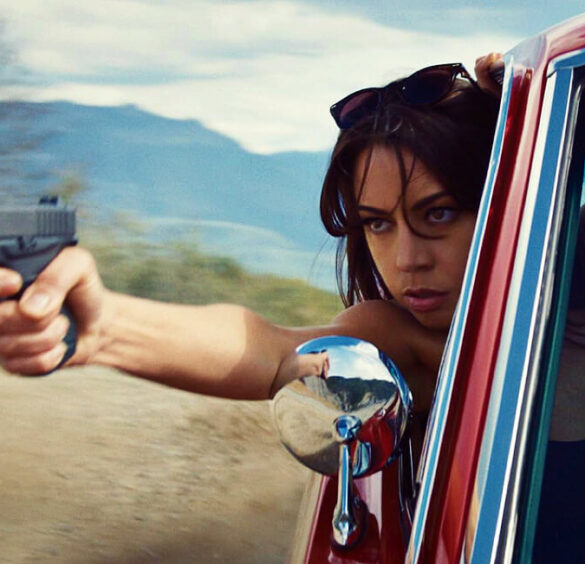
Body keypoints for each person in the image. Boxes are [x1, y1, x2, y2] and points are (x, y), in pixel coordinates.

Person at [0, 57, 502, 422]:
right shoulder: (397, 338)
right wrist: (102, 327)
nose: (407, 260)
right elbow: (270, 353)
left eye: (438, 214)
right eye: (377, 223)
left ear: (503, 200)